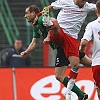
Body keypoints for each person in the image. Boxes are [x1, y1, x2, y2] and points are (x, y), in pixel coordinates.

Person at [21, 5, 92, 100]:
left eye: (26, 13)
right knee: (90, 63)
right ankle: (81, 94)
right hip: (66, 45)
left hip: (62, 46)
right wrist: (26, 52)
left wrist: (49, 36)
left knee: (59, 75)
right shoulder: (36, 26)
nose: (25, 16)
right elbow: (34, 43)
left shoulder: (42, 18)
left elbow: (54, 22)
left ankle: (80, 94)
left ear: (33, 13)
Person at [39, 0, 96, 99]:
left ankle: (78, 94)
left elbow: (97, 7)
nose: (83, 4)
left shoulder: (87, 6)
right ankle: (48, 27)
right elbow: (49, 7)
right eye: (82, 1)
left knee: (84, 63)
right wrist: (41, 13)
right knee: (56, 24)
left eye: (85, 1)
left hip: (71, 41)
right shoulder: (65, 2)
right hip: (61, 35)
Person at [79, 0, 100, 99]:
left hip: (97, 63)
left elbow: (84, 42)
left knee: (99, 89)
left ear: (96, 11)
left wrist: (81, 50)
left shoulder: (92, 25)